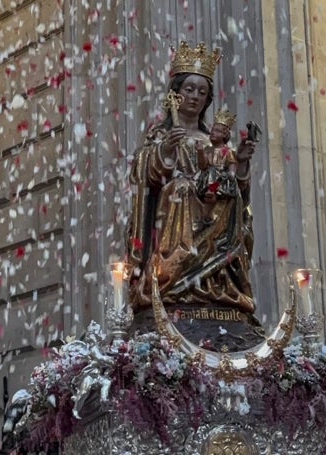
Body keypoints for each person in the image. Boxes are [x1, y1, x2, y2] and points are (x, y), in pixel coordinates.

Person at [127, 42, 262, 350]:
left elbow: (238, 184)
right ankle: (176, 276)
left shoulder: (211, 138)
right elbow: (146, 174)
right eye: (189, 90)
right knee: (182, 188)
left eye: (202, 92)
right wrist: (167, 150)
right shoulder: (161, 135)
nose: (195, 97)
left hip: (213, 209)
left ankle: (219, 282)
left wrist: (240, 162)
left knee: (232, 198)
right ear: (176, 93)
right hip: (177, 206)